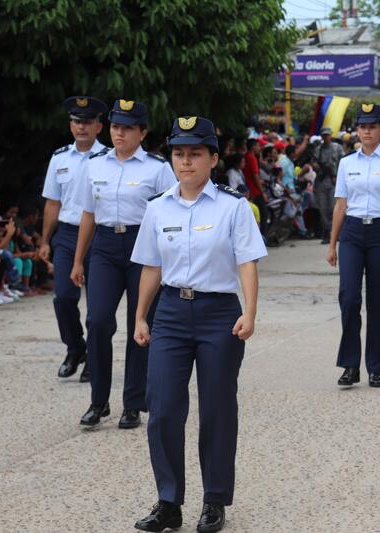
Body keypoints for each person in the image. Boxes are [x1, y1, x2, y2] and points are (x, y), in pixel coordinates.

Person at [130, 116, 265, 533]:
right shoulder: (158, 208)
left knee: (217, 410)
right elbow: (152, 266)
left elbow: (247, 262)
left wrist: (250, 311)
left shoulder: (233, 206)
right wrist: (139, 315)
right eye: (178, 153)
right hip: (170, 313)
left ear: (212, 158)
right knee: (164, 410)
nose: (185, 162)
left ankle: (214, 501)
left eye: (194, 154)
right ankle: (169, 501)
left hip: (218, 315)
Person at [71, 99, 177, 429]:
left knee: (139, 324)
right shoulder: (95, 165)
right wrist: (78, 259)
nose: (120, 133)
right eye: (116, 126)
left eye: (128, 128)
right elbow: (88, 214)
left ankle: (133, 402)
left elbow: (171, 213)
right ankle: (98, 401)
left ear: (142, 132)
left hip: (142, 248)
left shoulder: (158, 168)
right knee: (98, 321)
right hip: (104, 247)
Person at [325, 103, 380, 388]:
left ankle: (375, 367)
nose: (367, 131)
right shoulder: (347, 163)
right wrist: (332, 243)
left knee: (376, 302)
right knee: (349, 298)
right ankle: (350, 365)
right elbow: (340, 205)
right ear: (357, 130)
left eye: (373, 126)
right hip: (351, 232)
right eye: (363, 127)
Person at [38, 96, 107, 382]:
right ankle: (75, 347)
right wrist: (45, 240)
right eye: (77, 122)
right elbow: (53, 202)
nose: (82, 127)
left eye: (88, 122)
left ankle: (94, 356)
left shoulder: (109, 159)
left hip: (100, 235)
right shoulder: (60, 158)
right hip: (66, 234)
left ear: (99, 126)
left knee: (98, 307)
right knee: (63, 297)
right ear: (71, 125)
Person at [315, 127, 344, 244]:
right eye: (323, 135)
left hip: (334, 181)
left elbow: (343, 163)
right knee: (323, 208)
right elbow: (313, 163)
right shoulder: (318, 150)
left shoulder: (337, 148)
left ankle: (337, 233)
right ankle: (327, 233)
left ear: (331, 135)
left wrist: (338, 176)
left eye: (327, 135)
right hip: (321, 181)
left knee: (334, 208)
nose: (325, 137)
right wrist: (315, 166)